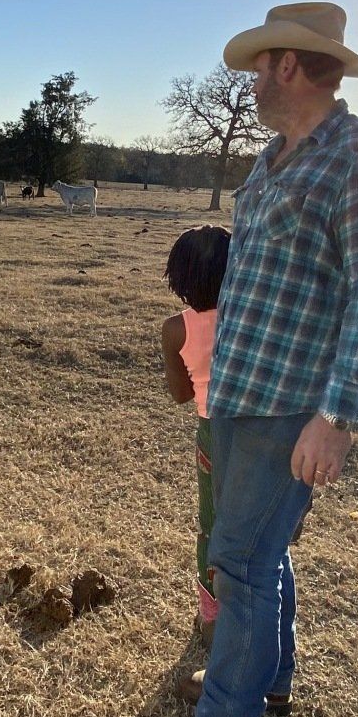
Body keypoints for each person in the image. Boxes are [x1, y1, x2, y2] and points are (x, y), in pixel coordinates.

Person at [109, 1, 358, 717]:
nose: (249, 82)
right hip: (242, 397)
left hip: (293, 410)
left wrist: (339, 416)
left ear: (287, 65)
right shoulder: (274, 159)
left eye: (257, 67)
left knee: (239, 570)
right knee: (255, 558)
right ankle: (267, 677)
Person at [159, 224, 231, 650]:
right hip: (261, 428)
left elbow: (180, 394)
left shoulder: (175, 329)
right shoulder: (253, 316)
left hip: (212, 430)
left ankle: (211, 620)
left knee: (211, 527)